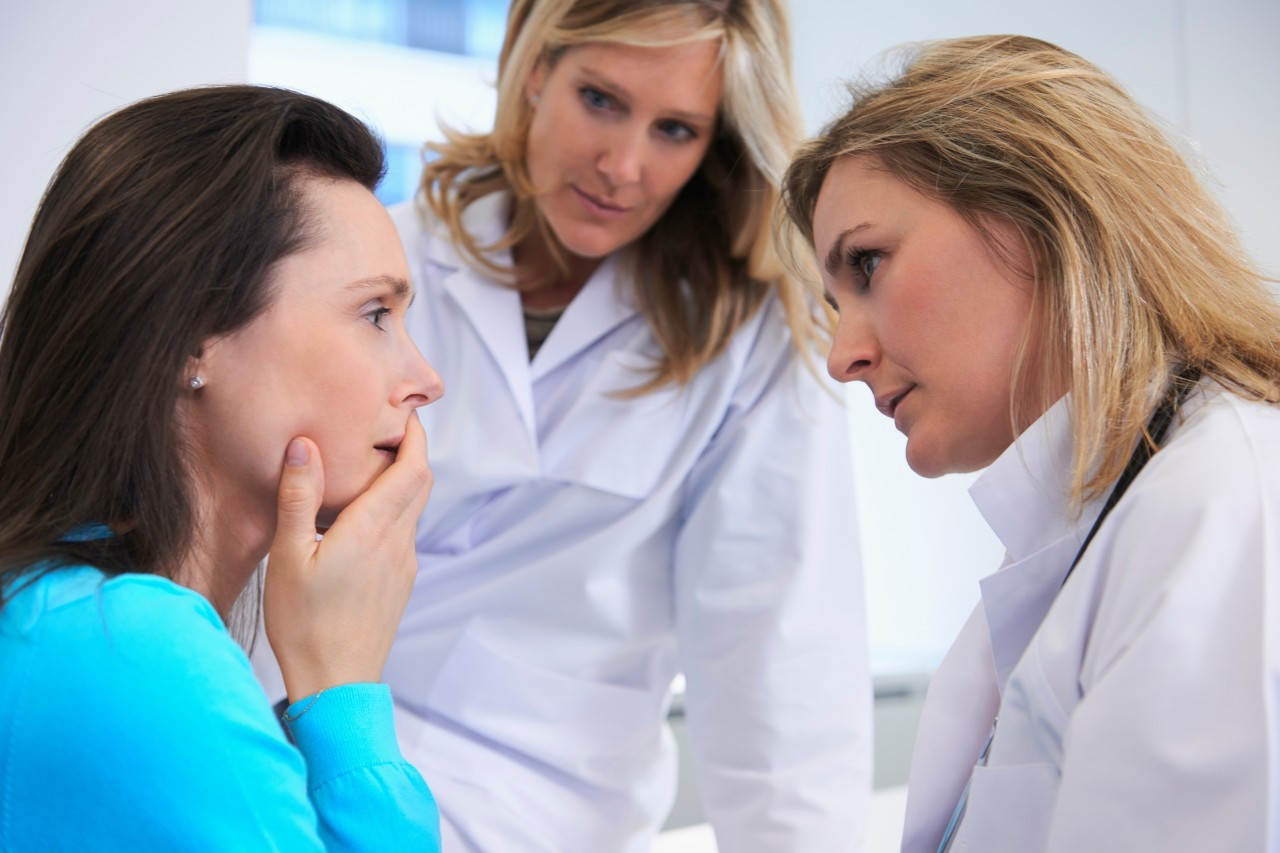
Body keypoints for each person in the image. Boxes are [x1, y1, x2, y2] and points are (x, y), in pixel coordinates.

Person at [267, 0, 869, 849]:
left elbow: (781, 670)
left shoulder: (752, 342)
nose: (623, 165)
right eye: (601, 99)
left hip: (547, 809)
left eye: (675, 130)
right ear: (535, 65)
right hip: (300, 757)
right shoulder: (382, 259)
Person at [782, 33, 1280, 853]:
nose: (842, 356)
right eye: (833, 306)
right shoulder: (1094, 529)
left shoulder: (1224, 504)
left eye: (867, 265)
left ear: (1041, 215)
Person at [0, 85, 446, 850]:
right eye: (375, 313)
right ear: (193, 338)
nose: (424, 379)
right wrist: (343, 693)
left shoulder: (65, 615)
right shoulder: (133, 653)